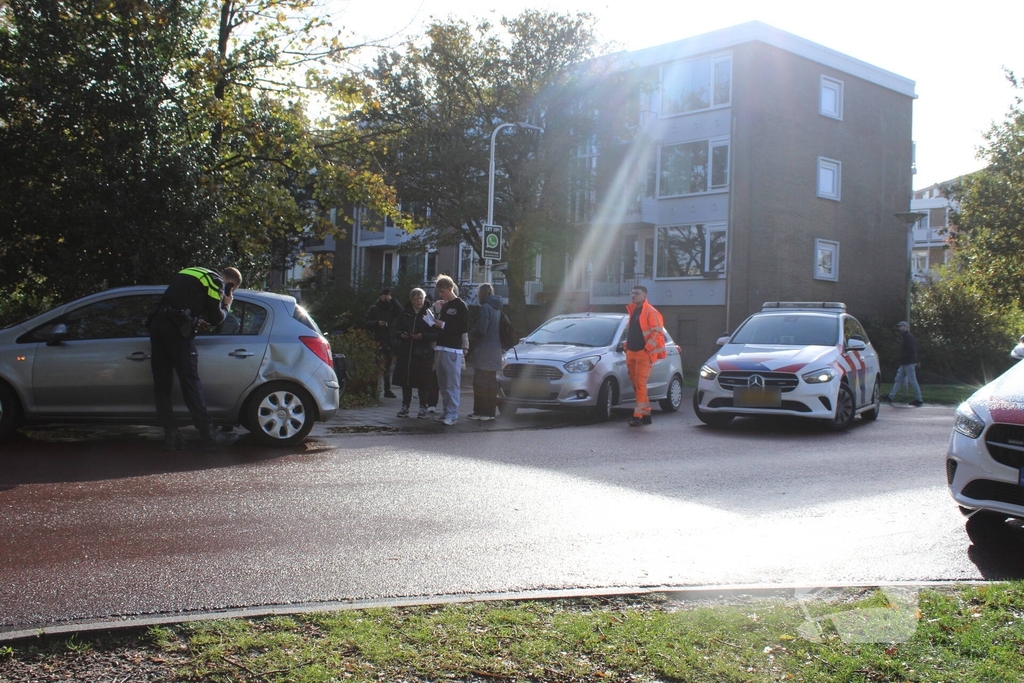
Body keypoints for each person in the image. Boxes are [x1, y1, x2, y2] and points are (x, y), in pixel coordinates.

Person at [149, 266, 243, 450]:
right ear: (230, 286)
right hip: (177, 334)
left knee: (162, 385)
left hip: (158, 328)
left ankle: (171, 435)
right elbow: (217, 318)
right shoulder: (215, 282)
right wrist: (226, 304)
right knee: (191, 383)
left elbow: (179, 303)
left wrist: (194, 319)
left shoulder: (192, 271)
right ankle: (209, 435)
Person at [391, 288, 438, 419]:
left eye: (421, 299)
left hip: (422, 353)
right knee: (406, 381)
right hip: (407, 352)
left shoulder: (428, 314)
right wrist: (402, 335)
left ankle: (423, 407)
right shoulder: (405, 314)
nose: (419, 301)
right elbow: (396, 330)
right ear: (411, 300)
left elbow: (435, 333)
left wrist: (422, 336)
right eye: (416, 299)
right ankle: (405, 406)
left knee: (423, 381)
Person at [624, 285, 667, 427]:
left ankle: (638, 416)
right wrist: (626, 346)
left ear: (644, 296)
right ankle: (646, 414)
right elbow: (634, 331)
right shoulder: (633, 310)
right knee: (637, 385)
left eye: (636, 293)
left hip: (643, 354)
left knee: (640, 385)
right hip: (631, 352)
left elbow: (657, 332)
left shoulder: (651, 311)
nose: (633, 295)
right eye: (632, 293)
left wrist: (647, 349)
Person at [431, 275, 469, 426]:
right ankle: (446, 410)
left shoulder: (460, 306)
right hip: (441, 347)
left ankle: (452, 413)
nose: (441, 295)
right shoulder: (445, 306)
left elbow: (463, 328)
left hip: (453, 349)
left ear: (450, 289)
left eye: (442, 291)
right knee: (442, 383)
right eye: (439, 292)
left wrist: (444, 325)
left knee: (451, 384)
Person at [467, 283, 503, 421]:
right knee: (491, 383)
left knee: (479, 382)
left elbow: (482, 329)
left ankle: (479, 412)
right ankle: (490, 413)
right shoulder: (497, 308)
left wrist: (471, 333)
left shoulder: (485, 308)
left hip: (484, 349)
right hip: (495, 349)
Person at [364, 288, 403, 398]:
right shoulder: (374, 309)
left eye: (389, 295)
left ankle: (387, 389)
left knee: (387, 366)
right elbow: (366, 322)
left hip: (389, 341)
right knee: (376, 366)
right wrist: (377, 323)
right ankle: (374, 390)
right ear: (381, 296)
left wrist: (393, 300)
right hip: (378, 340)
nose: (387, 297)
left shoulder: (391, 308)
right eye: (386, 295)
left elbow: (401, 312)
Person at [884, 320, 923, 406]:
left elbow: (911, 350)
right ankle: (891, 397)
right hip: (905, 362)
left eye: (901, 326)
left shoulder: (908, 337)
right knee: (898, 379)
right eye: (899, 326)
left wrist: (903, 356)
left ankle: (919, 399)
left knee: (912, 381)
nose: (899, 328)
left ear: (906, 327)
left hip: (908, 362)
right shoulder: (906, 337)